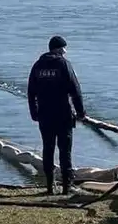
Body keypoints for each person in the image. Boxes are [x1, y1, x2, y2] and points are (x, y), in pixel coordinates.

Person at [27, 35, 85, 195]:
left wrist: (34, 112)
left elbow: (31, 92)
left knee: (48, 149)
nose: (65, 52)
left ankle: (49, 186)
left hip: (44, 115)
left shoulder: (38, 65)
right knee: (65, 151)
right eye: (64, 49)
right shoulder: (64, 64)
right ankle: (67, 186)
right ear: (59, 49)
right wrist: (81, 112)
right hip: (63, 114)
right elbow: (75, 90)